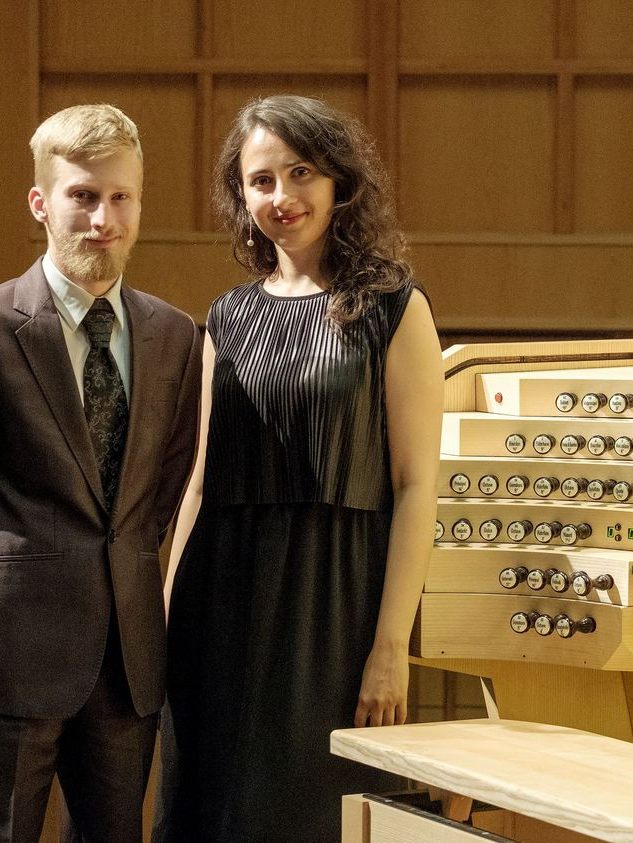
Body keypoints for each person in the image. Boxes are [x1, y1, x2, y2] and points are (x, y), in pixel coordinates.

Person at [0, 103, 202, 842]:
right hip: (6, 653)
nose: (103, 219)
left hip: (127, 661)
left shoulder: (174, 335)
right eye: (83, 196)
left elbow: (159, 490)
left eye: (121, 197)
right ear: (40, 202)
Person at [155, 94, 442, 842]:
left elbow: (416, 486)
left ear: (340, 180)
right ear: (241, 197)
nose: (281, 196)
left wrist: (390, 647)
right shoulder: (226, 315)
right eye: (261, 180)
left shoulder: (395, 308)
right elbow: (199, 480)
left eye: (301, 172)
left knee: (311, 813)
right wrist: (164, 618)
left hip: (333, 607)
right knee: (208, 814)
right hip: (219, 599)